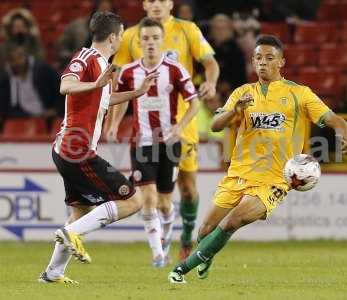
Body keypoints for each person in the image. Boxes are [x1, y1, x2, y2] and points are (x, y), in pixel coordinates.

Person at [168, 35, 347, 284]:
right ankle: (206, 255)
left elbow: (336, 120)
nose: (262, 63)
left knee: (234, 220)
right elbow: (214, 125)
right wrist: (235, 110)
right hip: (238, 174)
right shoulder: (243, 93)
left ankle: (181, 269)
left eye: (269, 58)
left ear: (281, 62)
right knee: (205, 231)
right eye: (258, 58)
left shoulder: (299, 94)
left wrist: (346, 136)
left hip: (274, 179)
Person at [38, 11, 157, 284]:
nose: (122, 42)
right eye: (122, 36)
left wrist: (136, 93)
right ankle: (72, 234)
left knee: (81, 211)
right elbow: (65, 86)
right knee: (132, 200)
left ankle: (53, 273)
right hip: (75, 149)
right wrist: (96, 83)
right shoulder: (86, 58)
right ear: (114, 36)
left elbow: (102, 96)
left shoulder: (101, 64)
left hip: (68, 149)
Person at [105, 0, 220, 261]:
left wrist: (211, 84)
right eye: (151, 0)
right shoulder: (132, 35)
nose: (157, 4)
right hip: (145, 129)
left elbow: (210, 63)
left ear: (171, 4)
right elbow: (120, 79)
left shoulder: (187, 29)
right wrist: (111, 119)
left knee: (188, 188)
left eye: (162, 0)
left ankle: (187, 237)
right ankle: (161, 249)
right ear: (145, 4)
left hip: (182, 124)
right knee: (153, 195)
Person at [114, 17, 199, 267]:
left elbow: (194, 103)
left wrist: (180, 127)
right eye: (146, 38)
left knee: (164, 203)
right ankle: (158, 255)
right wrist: (113, 124)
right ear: (139, 42)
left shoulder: (175, 69)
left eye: (155, 38)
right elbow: (120, 99)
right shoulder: (129, 72)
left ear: (162, 41)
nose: (150, 42)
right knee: (148, 199)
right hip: (141, 143)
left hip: (170, 143)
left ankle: (167, 235)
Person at [0, 43, 60, 119]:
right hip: (22, 119)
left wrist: (55, 110)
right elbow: (6, 108)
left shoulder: (43, 70)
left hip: (49, 118)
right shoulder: (6, 78)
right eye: (12, 60)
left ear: (25, 56)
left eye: (19, 57)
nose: (17, 62)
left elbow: (61, 92)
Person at [56, 0, 117, 69]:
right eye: (102, 9)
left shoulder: (118, 31)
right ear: (95, 10)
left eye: (108, 11)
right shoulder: (76, 26)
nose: (105, 14)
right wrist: (72, 58)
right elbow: (62, 48)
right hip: (79, 66)